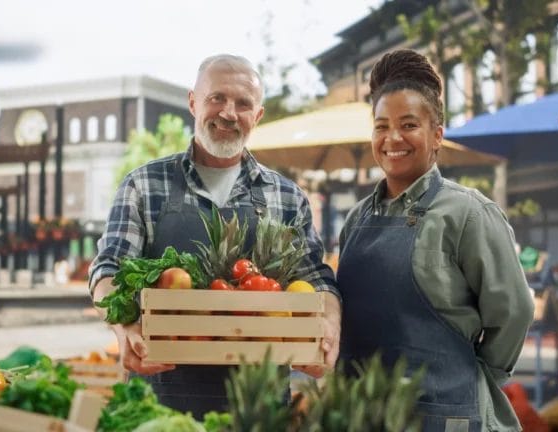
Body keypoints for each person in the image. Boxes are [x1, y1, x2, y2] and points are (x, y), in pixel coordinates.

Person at [89, 54, 341, 417]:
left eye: (243, 104)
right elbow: (107, 268)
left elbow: (317, 279)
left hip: (258, 404)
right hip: (161, 402)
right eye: (217, 98)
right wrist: (123, 326)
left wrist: (328, 326)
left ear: (257, 116)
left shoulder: (286, 196)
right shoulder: (143, 184)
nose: (228, 113)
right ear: (193, 102)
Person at [337, 49, 534, 431]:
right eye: (381, 126)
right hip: (362, 414)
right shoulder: (357, 218)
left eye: (409, 124)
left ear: (437, 135)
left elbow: (513, 313)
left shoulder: (468, 214)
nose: (392, 138)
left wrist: (464, 376)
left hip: (444, 414)